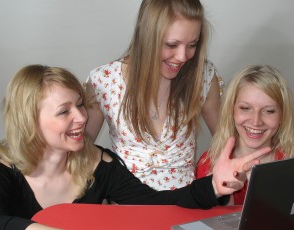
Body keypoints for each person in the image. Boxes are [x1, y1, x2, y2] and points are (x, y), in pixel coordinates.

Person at [0, 65, 270, 230]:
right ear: (30, 121)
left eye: (79, 105)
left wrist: (214, 186)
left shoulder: (101, 164)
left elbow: (157, 205)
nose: (81, 117)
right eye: (64, 112)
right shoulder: (0, 171)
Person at [85, 0, 223, 191]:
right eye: (172, 44)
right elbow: (79, 152)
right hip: (126, 205)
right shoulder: (104, 81)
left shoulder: (203, 76)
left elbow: (226, 140)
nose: (183, 56)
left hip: (186, 205)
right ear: (147, 37)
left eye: (192, 44)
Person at [196, 64, 294, 205]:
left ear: (282, 116)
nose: (256, 121)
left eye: (269, 111)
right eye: (245, 108)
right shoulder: (208, 164)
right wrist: (220, 192)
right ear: (231, 111)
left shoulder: (293, 162)